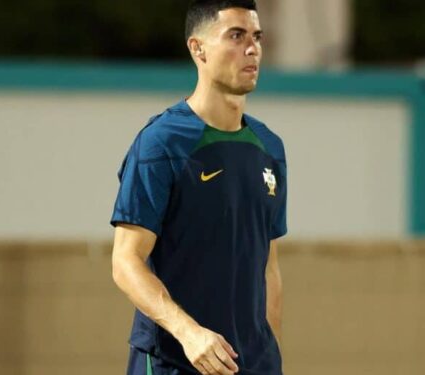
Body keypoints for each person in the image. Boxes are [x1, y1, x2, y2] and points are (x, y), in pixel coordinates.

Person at [110, 1, 286, 374]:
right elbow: (126, 263)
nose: (251, 48)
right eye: (236, 36)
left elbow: (268, 268)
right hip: (173, 362)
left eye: (257, 37)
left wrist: (270, 355)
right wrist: (189, 334)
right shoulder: (161, 144)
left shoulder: (270, 147)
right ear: (198, 48)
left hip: (250, 365)